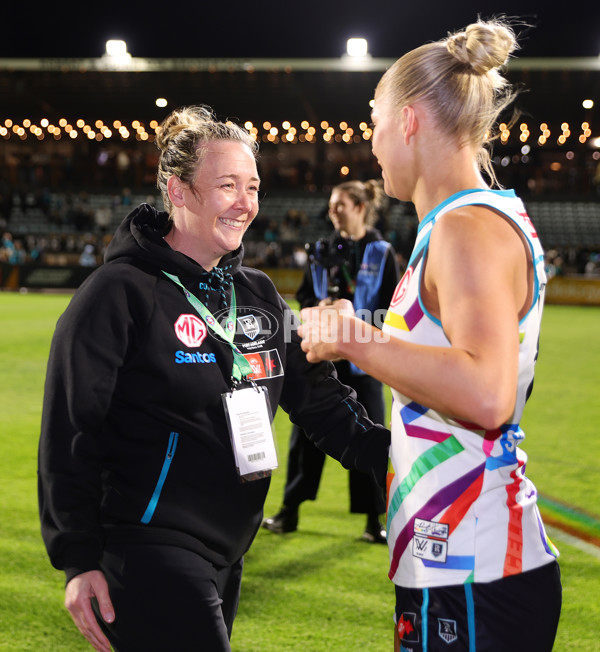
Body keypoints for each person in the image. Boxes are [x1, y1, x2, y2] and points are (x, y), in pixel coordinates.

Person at [37, 105, 390, 652]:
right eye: (228, 185)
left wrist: (399, 461)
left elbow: (318, 401)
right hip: (147, 542)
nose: (246, 203)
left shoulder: (257, 294)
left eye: (252, 186)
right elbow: (70, 430)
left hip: (226, 549)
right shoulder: (118, 294)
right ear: (178, 191)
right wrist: (78, 557)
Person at [297, 19, 561, 652]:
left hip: (478, 569)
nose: (374, 144)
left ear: (410, 122)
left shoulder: (469, 228)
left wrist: (356, 339)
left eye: (377, 123)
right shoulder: (457, 223)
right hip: (455, 560)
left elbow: (488, 395)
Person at [263, 179, 400, 542]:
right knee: (305, 438)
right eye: (331, 205)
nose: (332, 211)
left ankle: (375, 520)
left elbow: (394, 306)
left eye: (340, 204)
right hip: (320, 356)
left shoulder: (381, 251)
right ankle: (289, 511)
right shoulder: (320, 249)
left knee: (367, 435)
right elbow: (306, 295)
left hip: (364, 360)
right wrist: (318, 307)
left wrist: (361, 324)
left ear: (359, 207)